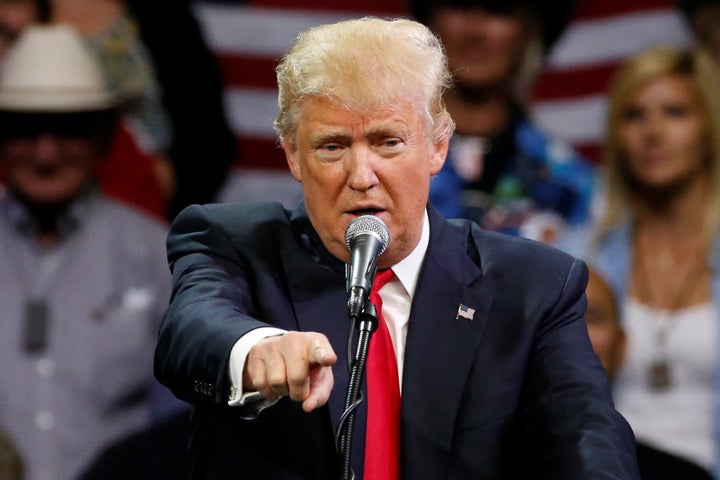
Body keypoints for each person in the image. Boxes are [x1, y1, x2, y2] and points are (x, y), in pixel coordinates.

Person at [154, 16, 639, 480]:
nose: (362, 177)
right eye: (332, 146)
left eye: (388, 142)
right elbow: (191, 330)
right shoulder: (235, 243)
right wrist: (254, 350)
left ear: (437, 146)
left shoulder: (533, 287)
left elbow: (584, 435)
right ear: (292, 153)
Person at [0, 24, 175, 480]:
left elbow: (185, 414)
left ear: (102, 136)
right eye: (24, 130)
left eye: (67, 130)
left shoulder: (155, 253)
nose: (46, 152)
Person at [577, 45, 720, 478]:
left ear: (709, 127)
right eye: (634, 115)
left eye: (675, 112)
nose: (652, 132)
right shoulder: (578, 256)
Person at [408, 0, 594, 245]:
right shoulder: (382, 164)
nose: (475, 31)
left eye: (498, 11)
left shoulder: (571, 185)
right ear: (428, 19)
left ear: (532, 29)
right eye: (459, 6)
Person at [584, 267, 714, 480]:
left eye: (593, 316)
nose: (576, 331)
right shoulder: (511, 453)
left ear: (622, 345)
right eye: (559, 314)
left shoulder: (683, 474)